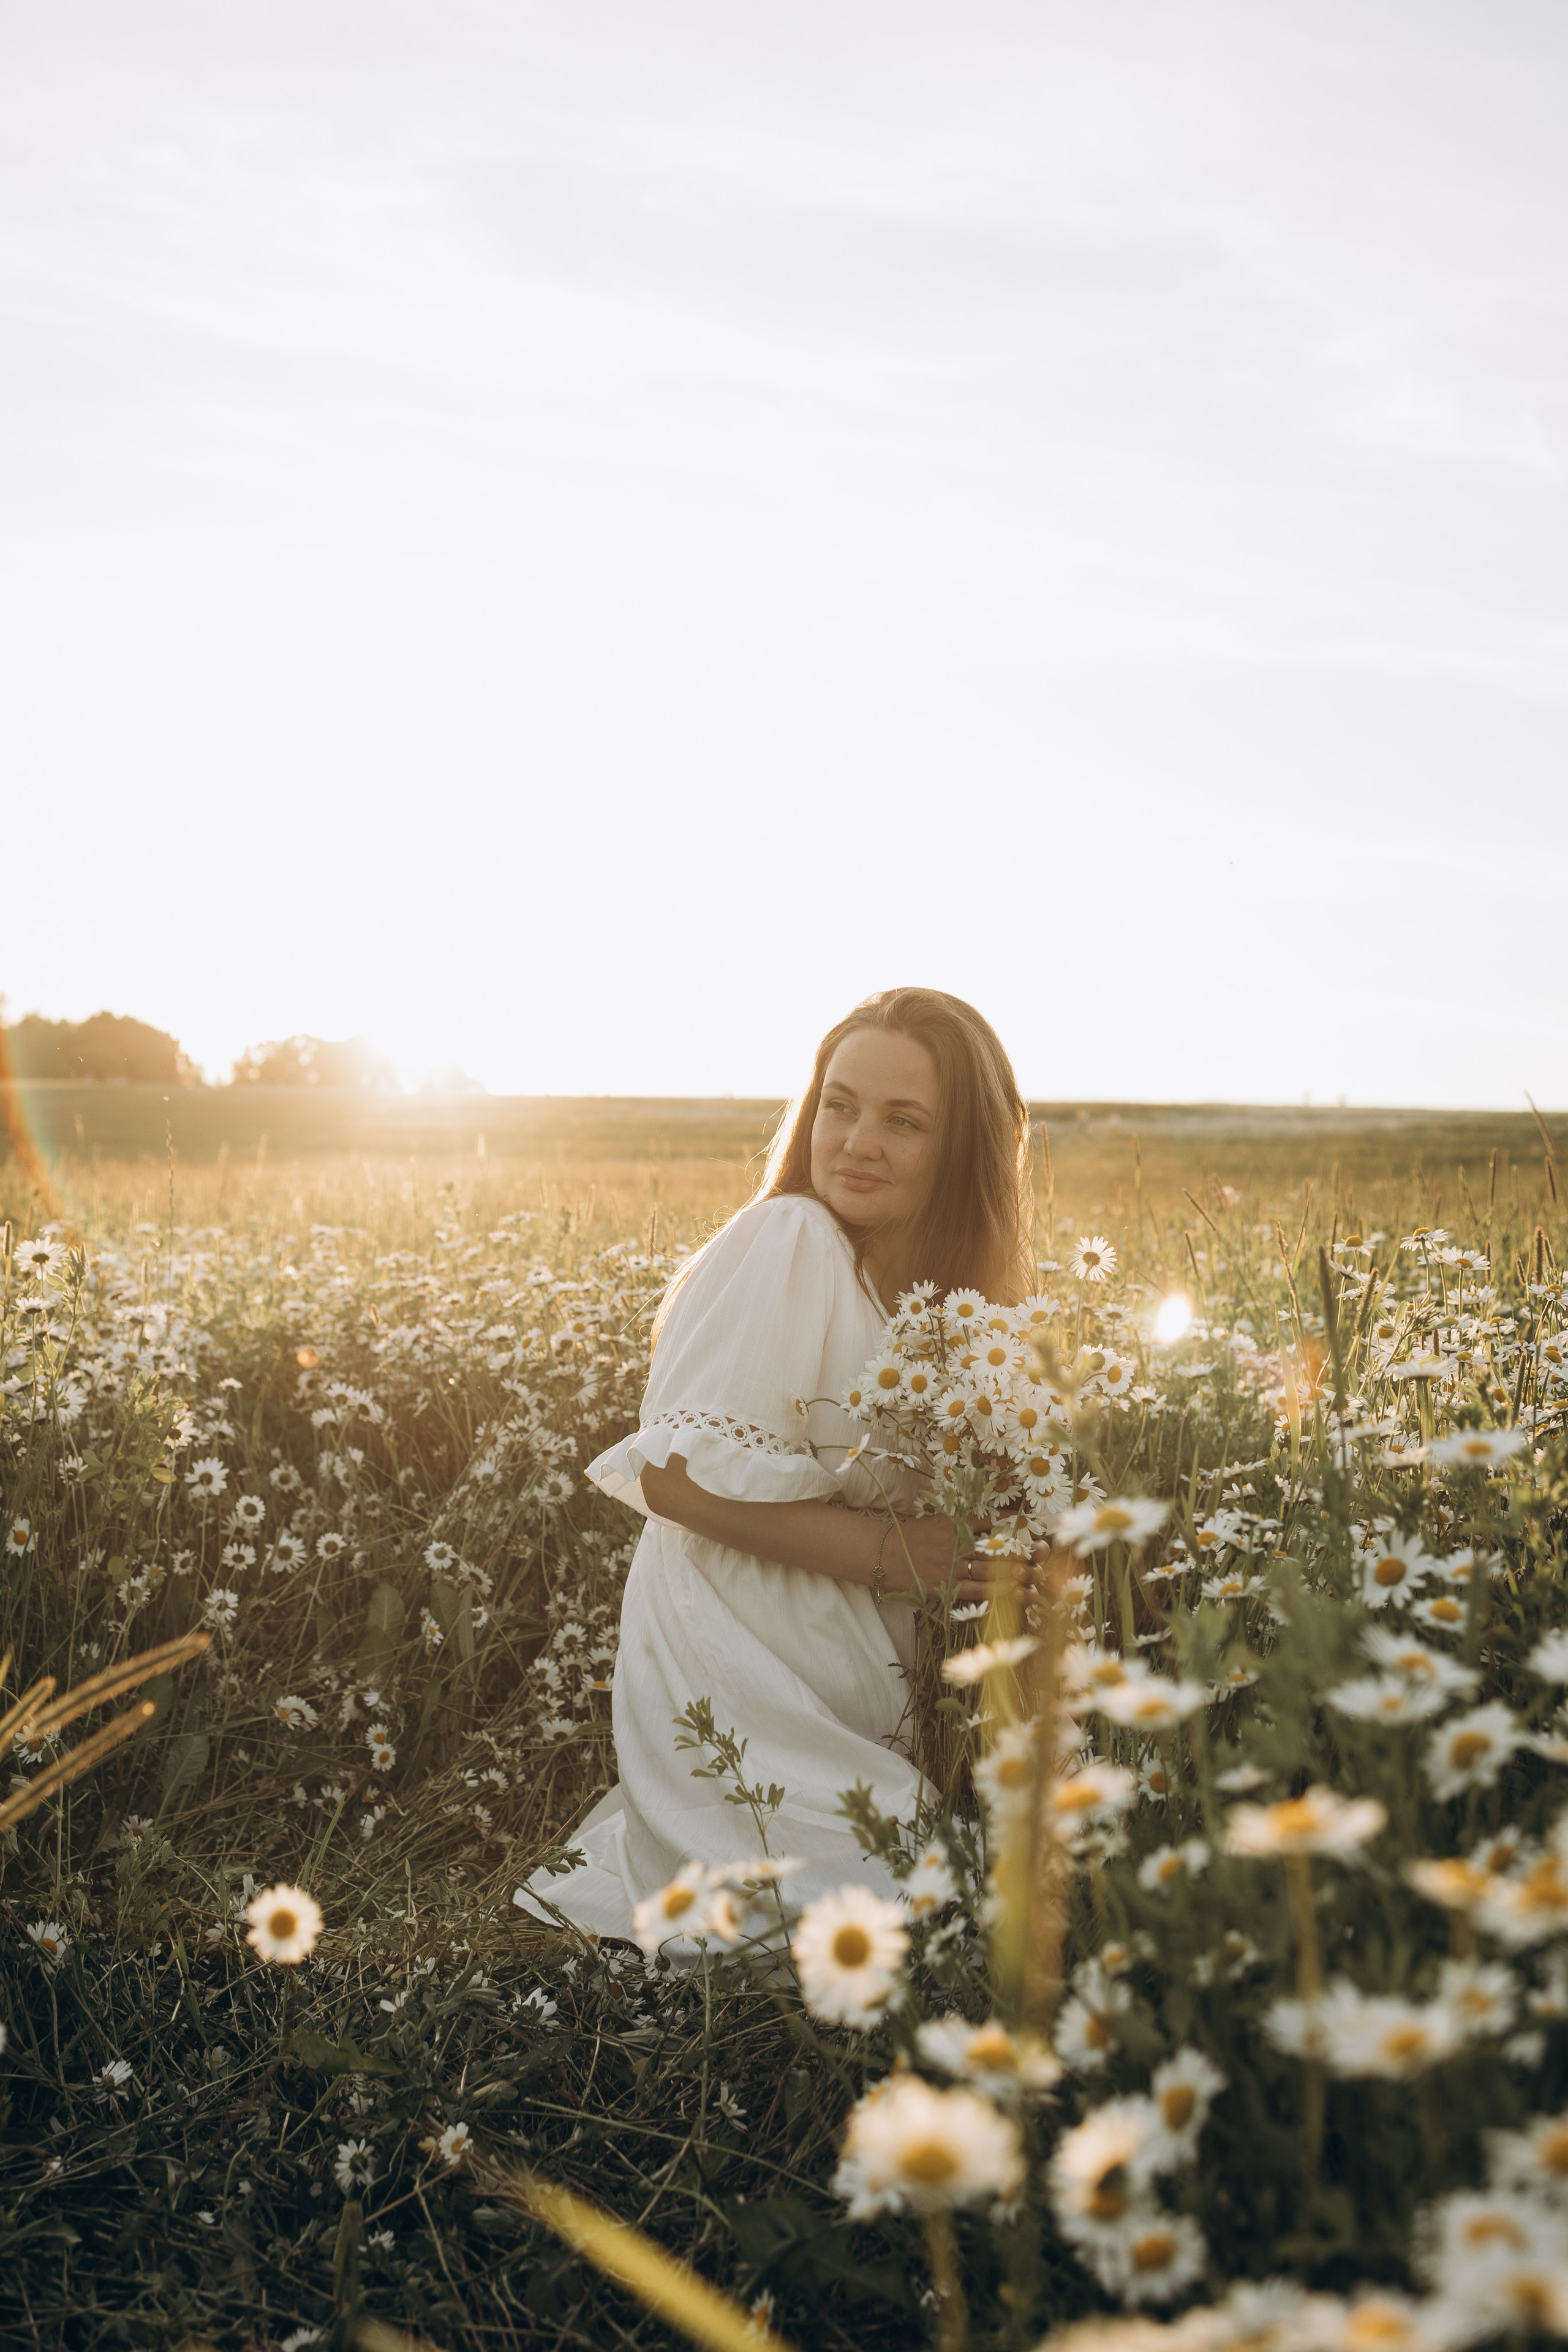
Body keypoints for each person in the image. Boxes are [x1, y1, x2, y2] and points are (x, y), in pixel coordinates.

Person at [515, 987, 1039, 1941]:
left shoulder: (929, 1302)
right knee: (904, 1913)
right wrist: (890, 1557)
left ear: (962, 1149)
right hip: (736, 1648)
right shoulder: (788, 1236)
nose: (857, 1141)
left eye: (903, 1121)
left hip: (834, 1662)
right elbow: (672, 1481)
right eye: (838, 1105)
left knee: (930, 1901)